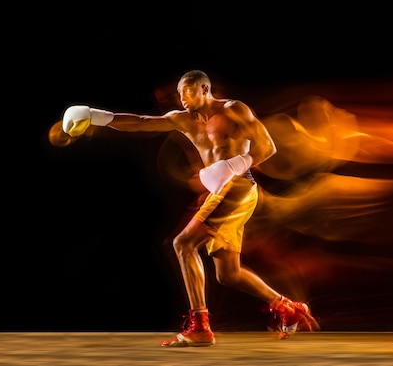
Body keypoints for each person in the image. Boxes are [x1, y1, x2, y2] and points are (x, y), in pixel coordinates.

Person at [56, 70, 319, 346]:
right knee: (228, 274)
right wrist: (96, 115)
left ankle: (200, 326)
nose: (182, 99)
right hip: (220, 192)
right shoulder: (183, 120)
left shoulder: (233, 110)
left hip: (239, 187)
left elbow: (268, 147)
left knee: (183, 244)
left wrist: (233, 165)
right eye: (180, 94)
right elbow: (141, 122)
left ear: (204, 89)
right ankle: (290, 309)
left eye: (187, 92)